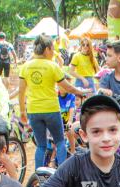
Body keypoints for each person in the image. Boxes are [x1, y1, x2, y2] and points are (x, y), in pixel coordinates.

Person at [18, 34, 88, 170]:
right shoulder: (52, 66)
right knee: (60, 141)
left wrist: (22, 111)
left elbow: (21, 92)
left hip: (33, 110)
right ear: (47, 49)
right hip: (51, 109)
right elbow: (67, 86)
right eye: (52, 49)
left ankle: (38, 176)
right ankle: (61, 174)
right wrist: (80, 92)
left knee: (41, 145)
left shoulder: (25, 67)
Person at [58, 86, 76, 155]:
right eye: (61, 85)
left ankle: (73, 150)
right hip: (58, 119)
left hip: (68, 119)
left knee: (69, 130)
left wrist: (70, 121)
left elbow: (72, 109)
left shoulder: (71, 96)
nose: (64, 87)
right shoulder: (55, 96)